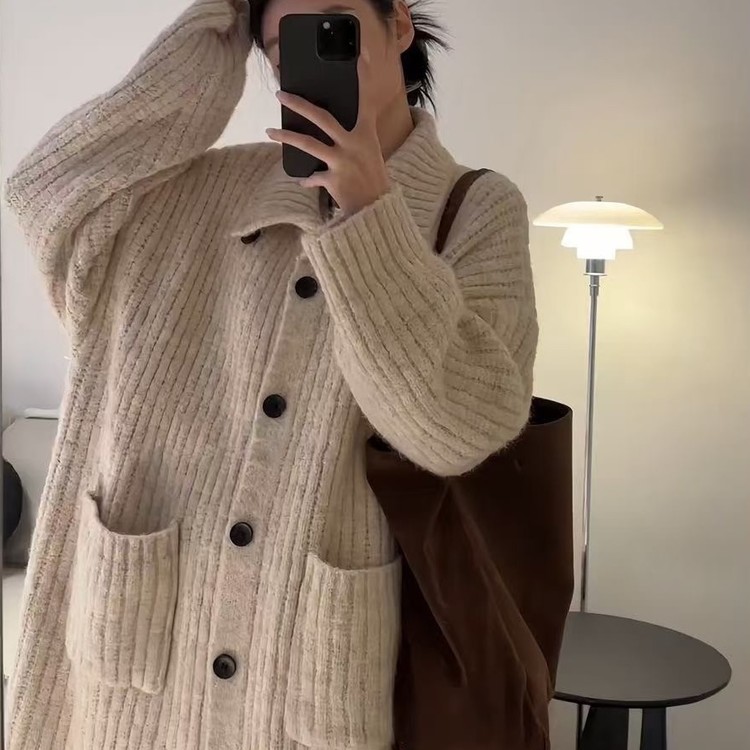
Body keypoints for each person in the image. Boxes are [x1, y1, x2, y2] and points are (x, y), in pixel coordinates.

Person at [4, 0, 538, 747]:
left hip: (307, 683)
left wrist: (369, 213)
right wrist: (209, 37)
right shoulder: (191, 195)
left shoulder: (478, 211)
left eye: (336, 25)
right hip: (138, 678)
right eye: (286, 45)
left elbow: (453, 429)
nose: (313, 52)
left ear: (400, 26)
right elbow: (46, 194)